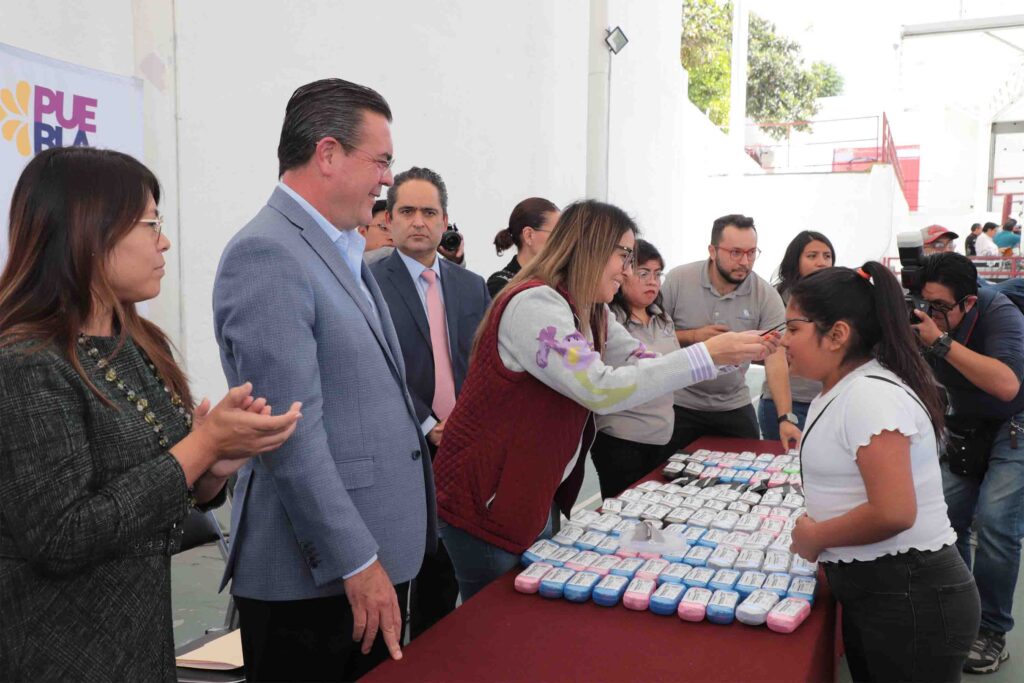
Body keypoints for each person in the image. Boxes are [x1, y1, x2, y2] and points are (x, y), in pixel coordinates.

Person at [0, 147, 301, 681]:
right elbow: (62, 536)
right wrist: (200, 446)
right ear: (88, 232)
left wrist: (212, 469)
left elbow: (155, 492)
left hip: (138, 645)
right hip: (63, 655)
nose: (163, 240)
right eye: (150, 223)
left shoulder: (132, 342)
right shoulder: (25, 363)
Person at [432, 200, 778, 601]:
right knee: (492, 616)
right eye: (624, 256)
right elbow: (600, 387)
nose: (628, 271)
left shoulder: (592, 309)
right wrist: (707, 354)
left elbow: (641, 360)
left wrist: (724, 358)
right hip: (487, 495)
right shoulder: (535, 304)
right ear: (590, 247)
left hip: (529, 490)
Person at [213, 78, 436, 681]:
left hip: (365, 567)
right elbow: (291, 434)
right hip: (316, 581)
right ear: (329, 153)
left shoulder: (335, 247)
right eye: (382, 161)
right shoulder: (269, 254)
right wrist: (357, 560)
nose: (388, 179)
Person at [785, 261, 980, 683]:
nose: (783, 341)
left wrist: (815, 535)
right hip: (884, 591)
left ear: (837, 334)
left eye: (792, 328)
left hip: (912, 597)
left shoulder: (869, 397)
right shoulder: (841, 389)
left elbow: (893, 512)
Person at [369, 166, 489, 637]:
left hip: (461, 446)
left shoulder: (470, 285)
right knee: (399, 567)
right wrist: (427, 422)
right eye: (407, 211)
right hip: (402, 443)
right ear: (390, 220)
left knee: (446, 571)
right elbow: (377, 369)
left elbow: (480, 363)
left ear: (445, 221)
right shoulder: (368, 280)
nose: (418, 221)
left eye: (429, 212)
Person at [912, 252, 1024, 674]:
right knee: (944, 515)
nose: (929, 314)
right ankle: (960, 610)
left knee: (996, 521)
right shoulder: (923, 317)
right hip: (964, 420)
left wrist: (940, 343)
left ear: (969, 304)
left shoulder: (1001, 314)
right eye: (924, 302)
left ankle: (992, 630)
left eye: (940, 307)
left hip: (1016, 418)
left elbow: (1007, 385)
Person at [661, 214, 799, 451]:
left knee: (748, 477)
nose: (745, 261)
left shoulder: (765, 295)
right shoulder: (678, 280)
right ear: (713, 251)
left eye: (752, 252)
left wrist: (785, 418)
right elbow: (654, 338)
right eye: (735, 252)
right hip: (679, 403)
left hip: (732, 404)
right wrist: (694, 337)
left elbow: (776, 358)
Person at [591, 239, 680, 498]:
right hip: (621, 436)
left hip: (662, 433)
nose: (653, 281)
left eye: (657, 273)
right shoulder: (608, 319)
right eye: (643, 273)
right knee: (622, 512)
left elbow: (669, 366)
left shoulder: (662, 317)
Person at [757, 230, 835, 439]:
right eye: (812, 256)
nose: (821, 262)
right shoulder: (775, 297)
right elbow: (771, 347)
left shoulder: (841, 297)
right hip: (786, 404)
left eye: (827, 256)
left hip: (828, 400)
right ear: (795, 261)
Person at [487, 197, 560, 298]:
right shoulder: (501, 286)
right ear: (529, 235)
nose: (561, 241)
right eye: (556, 234)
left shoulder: (558, 283)